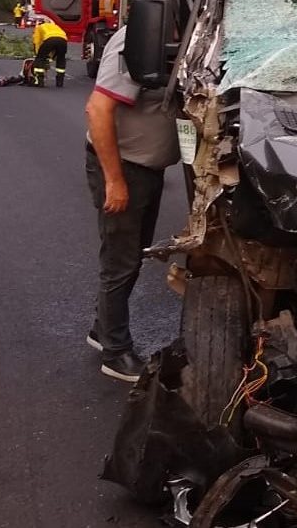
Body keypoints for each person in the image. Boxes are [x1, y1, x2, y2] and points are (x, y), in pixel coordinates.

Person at [84, 25, 180, 382]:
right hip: (125, 167)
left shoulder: (181, 35)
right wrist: (115, 180)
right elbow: (98, 109)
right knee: (120, 262)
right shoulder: (139, 39)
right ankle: (116, 352)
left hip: (145, 168)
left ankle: (102, 329)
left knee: (130, 256)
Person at [32, 17, 69, 87]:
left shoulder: (39, 27)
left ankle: (40, 81)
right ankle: (60, 82)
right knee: (61, 59)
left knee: (40, 58)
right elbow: (57, 41)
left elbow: (37, 41)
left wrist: (37, 54)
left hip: (50, 39)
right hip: (63, 41)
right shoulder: (55, 26)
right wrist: (51, 57)